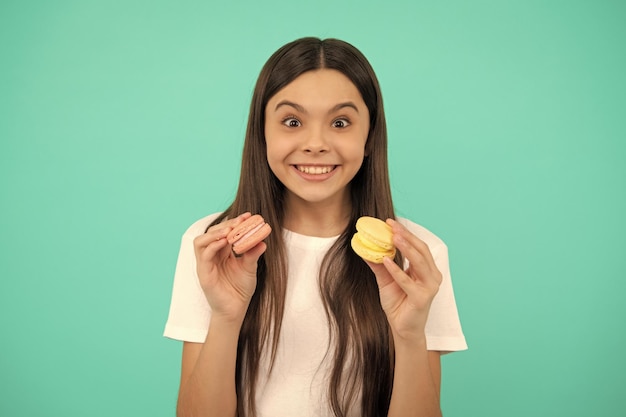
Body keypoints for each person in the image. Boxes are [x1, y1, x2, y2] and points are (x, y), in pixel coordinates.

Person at [164, 37, 467, 417]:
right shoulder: (212, 244)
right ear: (262, 133)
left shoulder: (418, 256)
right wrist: (226, 317)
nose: (316, 144)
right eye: (292, 122)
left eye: (340, 122)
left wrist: (409, 338)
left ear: (370, 136)